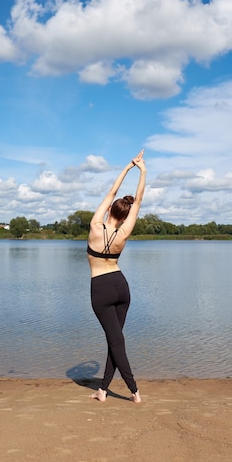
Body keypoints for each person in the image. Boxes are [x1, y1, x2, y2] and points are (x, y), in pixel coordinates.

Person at [87, 150, 147, 403]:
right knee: (115, 340)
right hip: (121, 286)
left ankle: (134, 391)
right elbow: (140, 200)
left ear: (110, 209)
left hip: (101, 288)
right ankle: (103, 390)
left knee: (116, 342)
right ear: (125, 216)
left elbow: (112, 192)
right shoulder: (124, 234)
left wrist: (127, 168)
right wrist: (143, 171)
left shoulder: (94, 227)